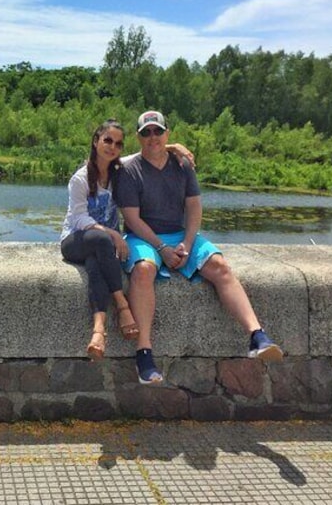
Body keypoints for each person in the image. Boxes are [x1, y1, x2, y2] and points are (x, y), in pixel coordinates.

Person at [116, 110, 283, 385]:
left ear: (167, 133)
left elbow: (194, 207)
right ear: (138, 137)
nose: (152, 137)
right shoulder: (129, 170)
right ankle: (144, 353)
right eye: (146, 133)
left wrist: (188, 243)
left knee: (220, 266)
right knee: (143, 270)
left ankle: (257, 335)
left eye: (158, 131)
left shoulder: (182, 165)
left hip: (181, 234)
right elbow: (132, 218)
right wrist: (161, 249)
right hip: (142, 236)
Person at [60, 119, 192, 361]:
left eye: (118, 144)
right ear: (96, 141)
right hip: (74, 241)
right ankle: (122, 306)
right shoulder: (80, 178)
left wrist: (174, 147)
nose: (112, 147)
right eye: (107, 140)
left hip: (103, 247)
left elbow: (147, 151)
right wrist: (112, 233)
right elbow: (79, 218)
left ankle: (98, 331)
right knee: (101, 241)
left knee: (95, 264)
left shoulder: (119, 171)